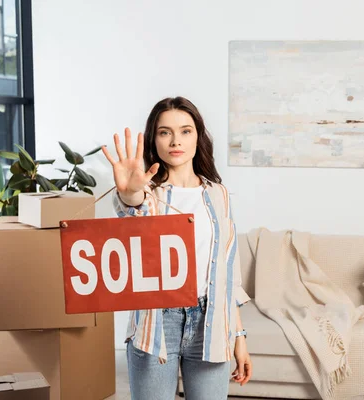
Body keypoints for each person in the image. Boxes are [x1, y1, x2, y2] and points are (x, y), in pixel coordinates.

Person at [101, 96, 253, 400]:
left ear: (199, 136)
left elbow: (227, 272)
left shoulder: (219, 194)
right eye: (164, 132)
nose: (175, 140)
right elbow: (132, 209)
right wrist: (131, 194)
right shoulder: (147, 194)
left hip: (211, 321)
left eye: (185, 131)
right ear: (154, 139)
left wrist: (239, 336)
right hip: (156, 322)